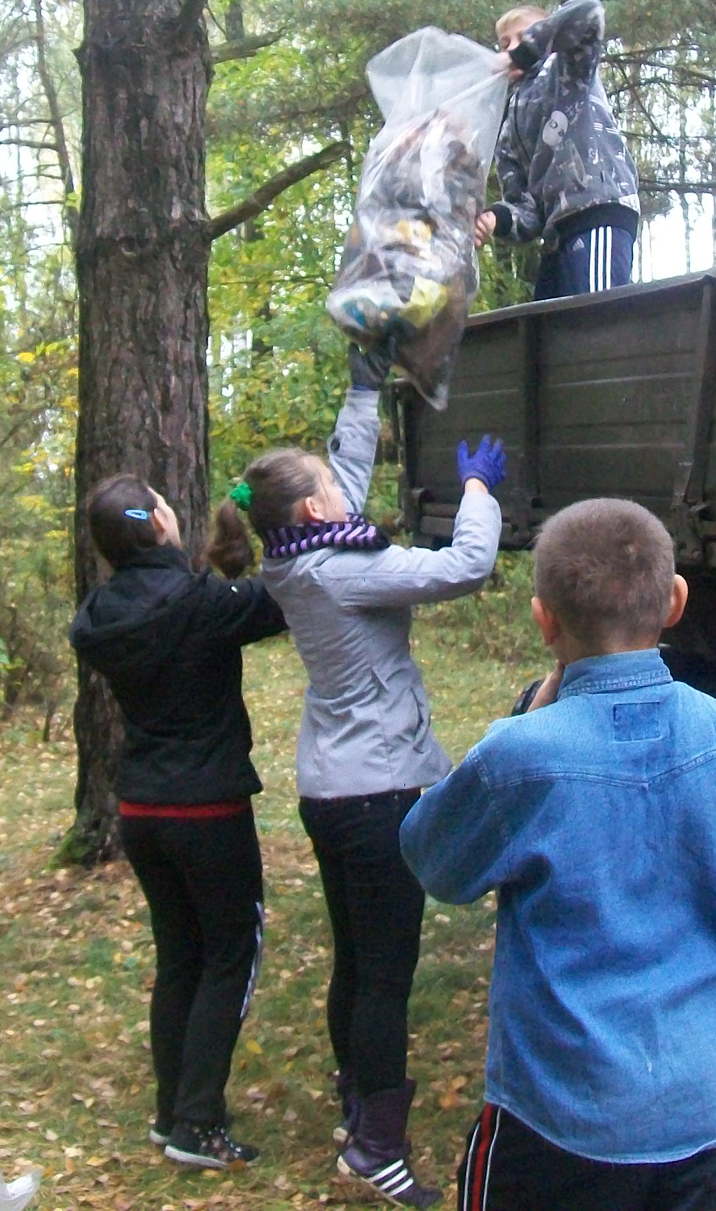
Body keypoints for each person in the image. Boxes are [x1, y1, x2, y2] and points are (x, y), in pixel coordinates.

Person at [399, 499, 716, 1211]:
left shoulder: (522, 755)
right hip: (700, 1111)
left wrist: (519, 723)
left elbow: (434, 859)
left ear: (544, 619)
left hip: (562, 1116)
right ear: (675, 600)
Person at [205, 346, 505, 1208]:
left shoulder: (298, 553)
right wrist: (478, 492)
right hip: (378, 795)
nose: (346, 489)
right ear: (310, 507)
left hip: (333, 790)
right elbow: (464, 567)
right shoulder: (344, 570)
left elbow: (341, 470)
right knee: (383, 976)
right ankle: (376, 1143)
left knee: (355, 961)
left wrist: (365, 388)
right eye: (332, 487)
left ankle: (357, 1099)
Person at [69, 473, 287, 1172]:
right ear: (156, 524)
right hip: (210, 808)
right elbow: (282, 598)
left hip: (143, 810)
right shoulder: (201, 603)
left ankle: (173, 1112)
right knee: (229, 953)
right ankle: (197, 1121)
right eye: (163, 504)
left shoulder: (101, 615)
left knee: (180, 957)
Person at [475, 0, 642, 301]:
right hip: (556, 236)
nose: (512, 47)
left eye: (522, 37)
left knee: (597, 322)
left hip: (598, 211)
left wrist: (528, 52)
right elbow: (527, 212)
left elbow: (588, 11)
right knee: (550, 334)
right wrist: (495, 220)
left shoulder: (567, 69)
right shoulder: (507, 128)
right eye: (503, 43)